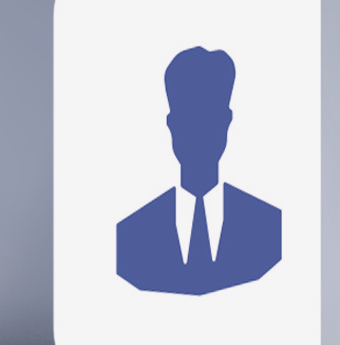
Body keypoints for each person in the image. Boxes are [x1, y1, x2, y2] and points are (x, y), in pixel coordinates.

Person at [112, 43, 287, 296]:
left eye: (209, 117)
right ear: (172, 125)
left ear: (226, 122)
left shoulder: (269, 229)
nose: (198, 132)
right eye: (188, 117)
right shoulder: (131, 238)